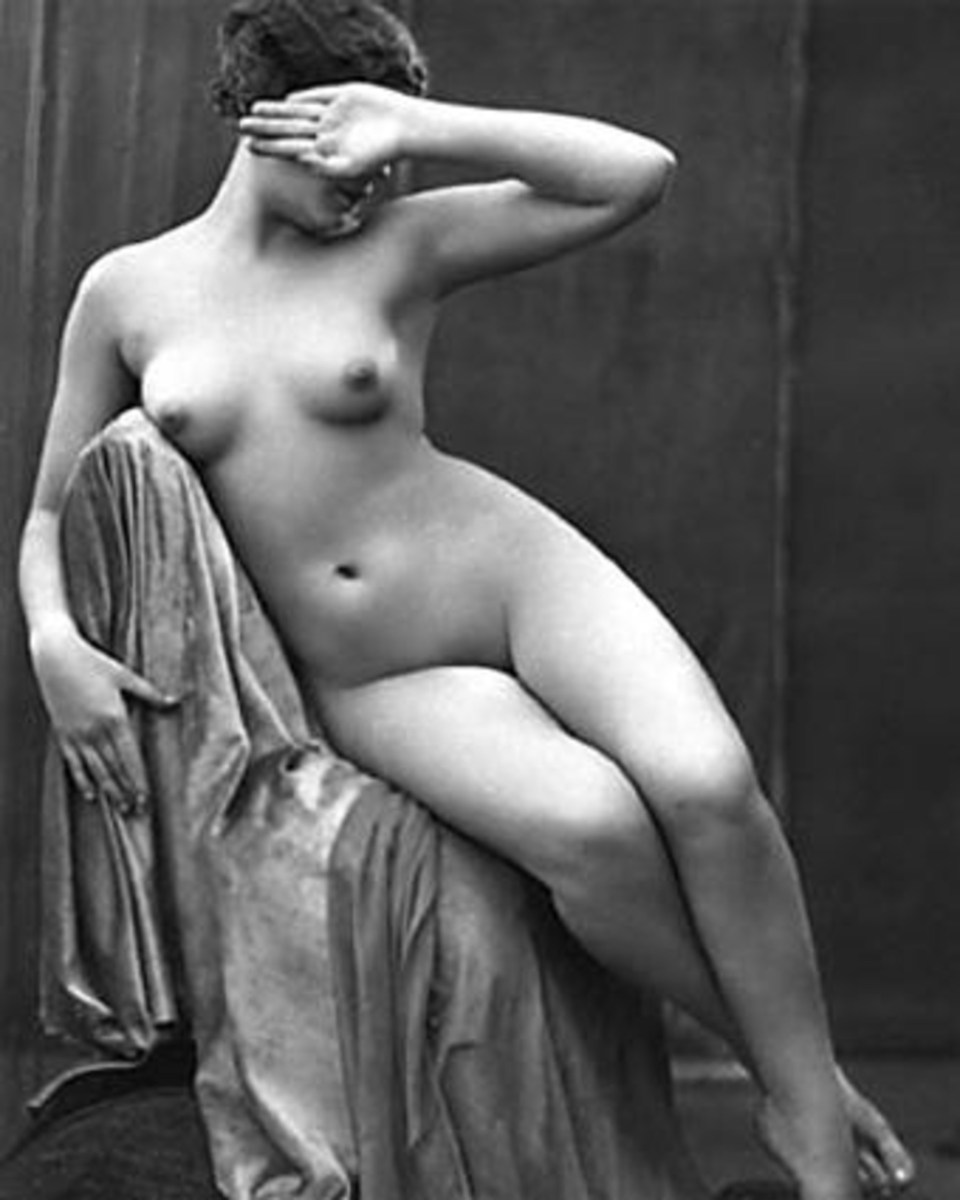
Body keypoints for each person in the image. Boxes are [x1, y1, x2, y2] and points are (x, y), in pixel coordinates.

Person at [18, 2, 914, 1198]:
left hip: (501, 568)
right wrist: (54, 639)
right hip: (372, 673)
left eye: (388, 158)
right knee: (594, 834)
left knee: (708, 789)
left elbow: (636, 174)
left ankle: (810, 1130)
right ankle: (795, 1077)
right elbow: (46, 513)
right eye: (346, 152)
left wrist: (417, 125)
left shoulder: (405, 242)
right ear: (259, 123)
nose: (373, 181)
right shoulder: (128, 290)